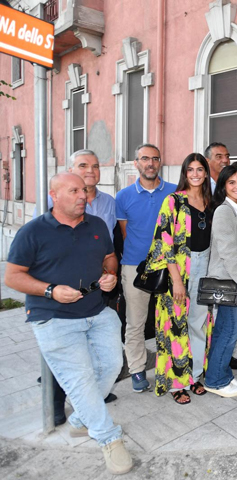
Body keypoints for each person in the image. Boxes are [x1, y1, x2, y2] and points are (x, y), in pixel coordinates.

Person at [5, 172, 132, 475]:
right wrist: (49, 290)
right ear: (54, 195)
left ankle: (80, 420)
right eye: (74, 190)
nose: (83, 196)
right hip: (52, 317)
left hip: (96, 310)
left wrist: (110, 274)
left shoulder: (97, 225)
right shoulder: (33, 231)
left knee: (112, 366)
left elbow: (110, 257)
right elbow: (12, 276)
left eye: (85, 191)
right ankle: (108, 438)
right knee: (80, 380)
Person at [144, 153, 214, 404]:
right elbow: (164, 242)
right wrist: (176, 280)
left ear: (206, 173)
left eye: (200, 170)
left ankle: (194, 376)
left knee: (199, 324)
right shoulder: (173, 201)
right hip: (179, 269)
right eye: (190, 170)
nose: (195, 174)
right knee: (174, 328)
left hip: (205, 267)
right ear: (185, 173)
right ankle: (176, 384)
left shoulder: (210, 201)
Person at [115, 143, 177, 393]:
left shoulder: (175, 192)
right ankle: (137, 369)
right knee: (135, 322)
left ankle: (171, 366)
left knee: (171, 320)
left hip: (170, 266)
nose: (150, 163)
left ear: (160, 162)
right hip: (135, 266)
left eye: (155, 158)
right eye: (145, 159)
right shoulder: (123, 196)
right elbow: (125, 233)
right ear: (136, 163)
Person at [205, 165, 237, 397]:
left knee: (224, 327)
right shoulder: (224, 211)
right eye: (232, 182)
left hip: (236, 274)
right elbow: (228, 251)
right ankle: (215, 381)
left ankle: (220, 374)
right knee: (231, 328)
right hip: (228, 276)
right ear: (223, 186)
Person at [34, 150, 116, 238]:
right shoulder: (53, 200)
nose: (90, 170)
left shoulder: (109, 201)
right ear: (70, 170)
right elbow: (37, 234)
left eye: (95, 167)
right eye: (83, 166)